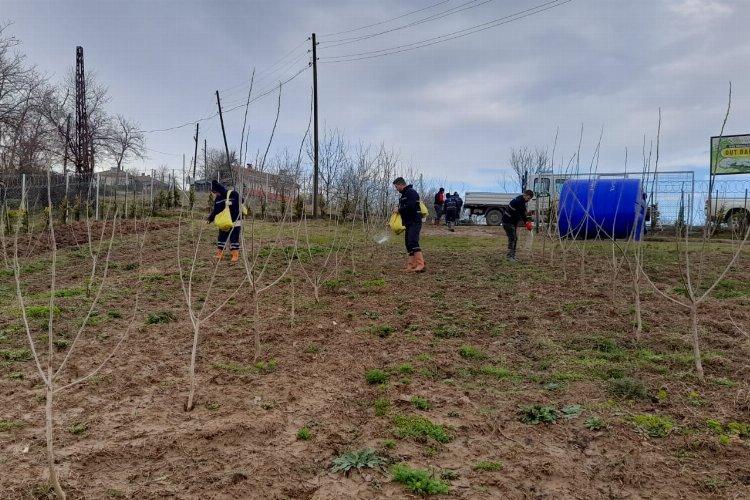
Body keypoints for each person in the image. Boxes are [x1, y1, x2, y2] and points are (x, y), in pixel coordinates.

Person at [393, 177, 425, 272]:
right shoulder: (403, 196)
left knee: (413, 241)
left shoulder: (411, 192)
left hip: (415, 221)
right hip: (408, 223)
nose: (396, 189)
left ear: (400, 184)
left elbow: (411, 205)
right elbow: (403, 209)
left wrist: (399, 209)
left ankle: (420, 264)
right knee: (408, 243)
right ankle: (411, 265)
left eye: (396, 187)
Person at [207, 180, 242, 262]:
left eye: (216, 192)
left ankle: (235, 254)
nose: (216, 194)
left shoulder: (233, 194)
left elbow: (242, 201)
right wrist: (210, 219)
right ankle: (219, 254)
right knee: (222, 237)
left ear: (219, 190)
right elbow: (215, 211)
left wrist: (232, 204)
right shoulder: (218, 199)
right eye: (214, 192)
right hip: (224, 221)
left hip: (235, 220)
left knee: (234, 237)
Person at [501, 189, 534, 262]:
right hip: (507, 222)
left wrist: (527, 222)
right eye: (528, 198)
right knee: (512, 239)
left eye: (530, 199)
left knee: (514, 239)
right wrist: (526, 223)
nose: (528, 200)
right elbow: (521, 214)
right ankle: (509, 257)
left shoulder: (521, 200)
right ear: (525, 195)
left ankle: (512, 256)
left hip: (511, 222)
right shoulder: (518, 202)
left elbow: (523, 213)